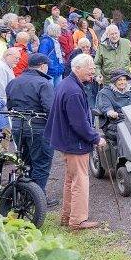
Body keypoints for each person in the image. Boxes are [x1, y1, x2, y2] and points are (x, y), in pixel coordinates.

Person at [47, 53, 105, 231]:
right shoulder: (73, 90)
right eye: (90, 68)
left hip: (67, 141)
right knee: (80, 181)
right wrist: (96, 138)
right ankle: (78, 220)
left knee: (71, 180)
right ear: (77, 68)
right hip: (75, 142)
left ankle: (67, 216)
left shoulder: (67, 83)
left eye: (93, 68)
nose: (93, 71)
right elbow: (78, 123)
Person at [6, 53, 55, 192]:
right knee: (41, 164)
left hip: (18, 126)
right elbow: (51, 109)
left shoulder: (14, 82)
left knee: (25, 162)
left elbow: (9, 106)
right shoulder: (44, 83)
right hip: (38, 127)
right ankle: (38, 197)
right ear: (43, 66)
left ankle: (26, 195)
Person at [95, 69, 131, 142]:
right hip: (114, 123)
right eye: (120, 80)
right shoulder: (105, 93)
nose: (123, 82)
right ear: (114, 81)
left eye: (124, 79)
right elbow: (105, 107)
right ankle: (124, 153)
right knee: (128, 135)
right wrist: (110, 112)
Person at [38, 22, 65, 87]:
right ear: (55, 31)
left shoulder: (56, 41)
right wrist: (49, 67)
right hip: (50, 70)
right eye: (59, 30)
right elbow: (42, 56)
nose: (60, 32)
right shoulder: (46, 41)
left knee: (58, 90)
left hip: (58, 69)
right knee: (50, 90)